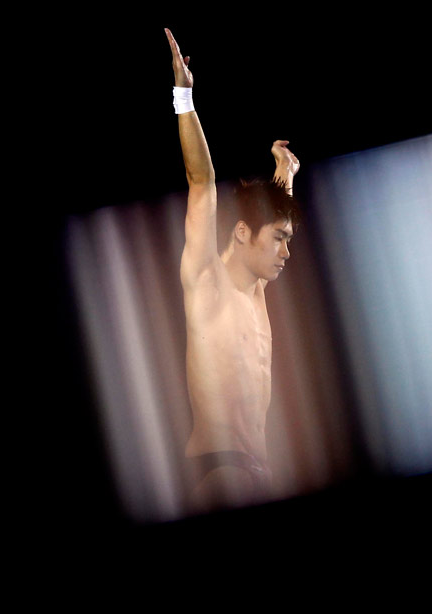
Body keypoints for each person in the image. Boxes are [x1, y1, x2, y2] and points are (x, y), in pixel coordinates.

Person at [165, 28, 300, 511]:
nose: (286, 252)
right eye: (280, 240)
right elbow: (202, 181)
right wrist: (184, 96)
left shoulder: (255, 287)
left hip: (256, 471)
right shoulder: (208, 282)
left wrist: (286, 174)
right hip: (221, 469)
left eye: (287, 240)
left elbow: (270, 216)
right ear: (242, 233)